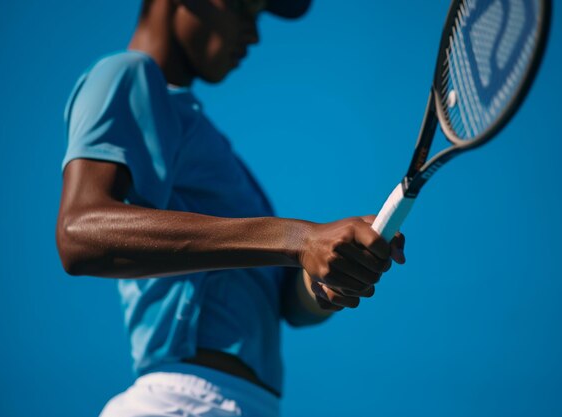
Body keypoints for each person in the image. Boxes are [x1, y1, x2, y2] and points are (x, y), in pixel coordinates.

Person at [56, 0, 406, 416]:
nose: (254, 34)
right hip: (181, 400)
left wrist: (327, 278)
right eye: (242, 9)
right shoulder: (127, 73)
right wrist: (299, 239)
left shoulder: (215, 150)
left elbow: (287, 307)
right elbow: (79, 233)